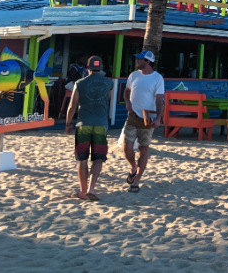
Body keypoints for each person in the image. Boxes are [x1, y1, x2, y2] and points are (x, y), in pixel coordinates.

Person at [65, 55, 113, 201]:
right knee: (98, 158)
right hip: (101, 124)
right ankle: (92, 188)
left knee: (83, 159)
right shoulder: (109, 83)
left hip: (83, 124)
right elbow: (109, 98)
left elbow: (72, 105)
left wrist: (68, 123)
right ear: (101, 67)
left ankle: (83, 191)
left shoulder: (80, 83)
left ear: (87, 67)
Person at [123, 50, 164, 193]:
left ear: (147, 61)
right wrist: (128, 103)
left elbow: (160, 99)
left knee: (143, 148)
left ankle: (137, 179)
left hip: (148, 119)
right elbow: (127, 90)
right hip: (132, 116)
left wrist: (158, 118)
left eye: (140, 59)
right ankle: (133, 167)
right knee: (127, 147)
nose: (137, 61)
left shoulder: (157, 78)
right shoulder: (133, 75)